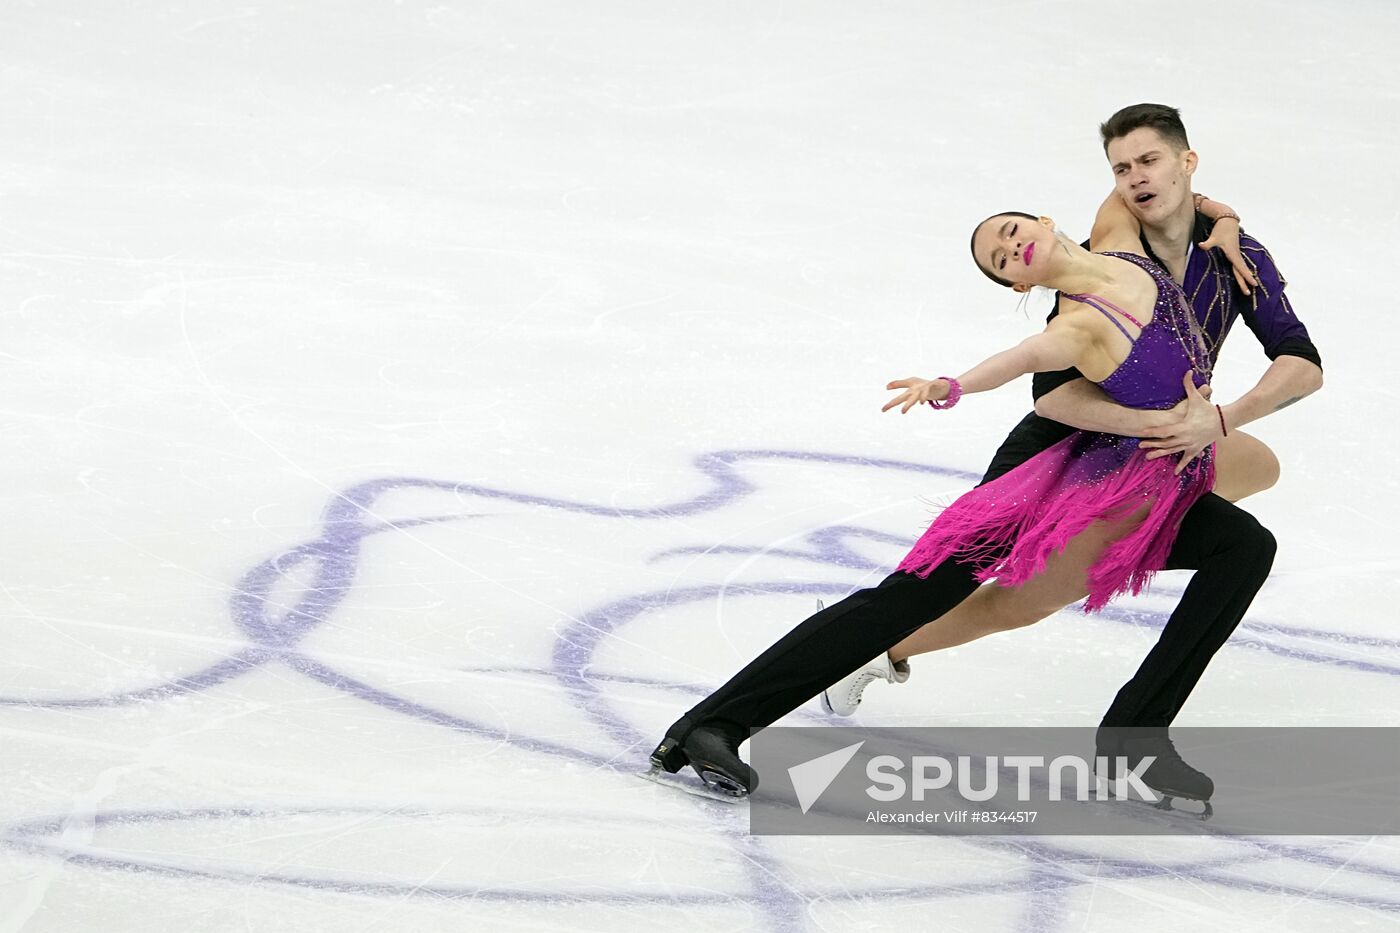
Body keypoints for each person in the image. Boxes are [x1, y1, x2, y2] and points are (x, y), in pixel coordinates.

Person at [649, 104, 1323, 805]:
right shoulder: (1091, 284)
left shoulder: (1185, 246)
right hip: (1053, 458)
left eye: (1149, 162)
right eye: (1122, 169)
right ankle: (713, 722)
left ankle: (1134, 738)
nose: (1135, 177)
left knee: (1244, 546)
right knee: (920, 592)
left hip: (1143, 460)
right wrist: (1153, 417)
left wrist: (1221, 396)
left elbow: (1291, 346)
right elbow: (1048, 394)